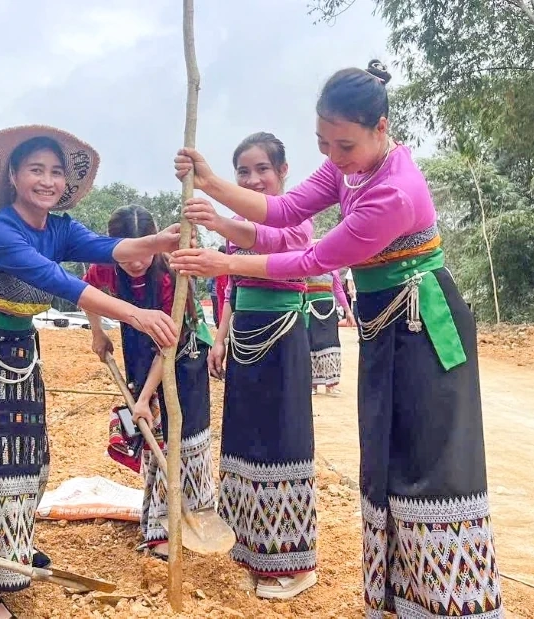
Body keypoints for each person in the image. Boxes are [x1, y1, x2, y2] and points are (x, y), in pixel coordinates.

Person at [171, 61, 504, 618]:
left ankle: (452, 603)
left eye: (343, 144)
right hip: (386, 327)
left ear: (381, 128)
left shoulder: (392, 192)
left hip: (423, 327)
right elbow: (283, 208)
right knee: (386, 459)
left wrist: (215, 260)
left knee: (430, 464)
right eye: (323, 142)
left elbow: (312, 258)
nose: (332, 155)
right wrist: (208, 180)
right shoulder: (350, 169)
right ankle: (399, 599)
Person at [0, 126, 181, 619]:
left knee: (30, 459)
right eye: (36, 170)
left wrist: (165, 239)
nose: (47, 181)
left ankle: (15, 549)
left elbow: (109, 248)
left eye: (54, 172)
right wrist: (134, 315)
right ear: (13, 176)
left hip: (19, 352)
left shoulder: (60, 227)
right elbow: (59, 281)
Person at [192, 132, 319, 599]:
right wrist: (219, 339)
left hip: (282, 337)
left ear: (283, 171)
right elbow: (231, 287)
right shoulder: (240, 227)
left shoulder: (297, 219)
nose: (253, 178)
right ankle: (253, 550)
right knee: (246, 438)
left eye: (262, 169)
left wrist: (221, 224)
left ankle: (296, 563)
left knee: (282, 441)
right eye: (243, 171)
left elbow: (281, 255)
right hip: (244, 333)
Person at [83, 205, 215, 561]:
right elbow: (84, 291)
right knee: (153, 438)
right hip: (138, 351)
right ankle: (159, 528)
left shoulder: (171, 276)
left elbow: (168, 346)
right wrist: (98, 334)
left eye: (144, 254)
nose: (136, 263)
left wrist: (143, 399)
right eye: (129, 256)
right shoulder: (106, 266)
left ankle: (193, 516)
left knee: (183, 435)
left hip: (183, 357)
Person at [305, 255, 355, 397]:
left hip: (329, 309)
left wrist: (348, 311)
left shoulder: (333, 270)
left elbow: (338, 290)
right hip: (311, 310)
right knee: (312, 344)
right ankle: (313, 385)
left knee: (331, 343)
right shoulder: (307, 267)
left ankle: (331, 385)